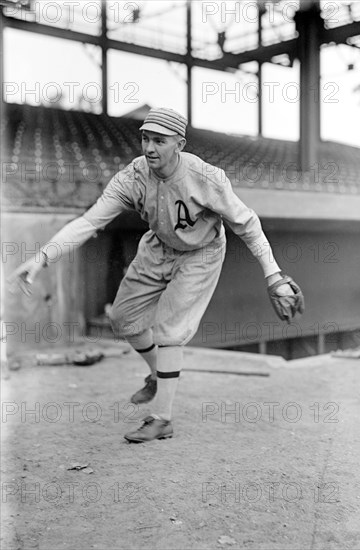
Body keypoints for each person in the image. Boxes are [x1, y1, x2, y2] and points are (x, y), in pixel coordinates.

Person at [9, 107, 304, 443]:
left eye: (159, 141)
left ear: (178, 144)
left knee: (169, 330)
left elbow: (248, 226)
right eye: (145, 139)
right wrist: (42, 257)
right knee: (122, 319)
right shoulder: (133, 177)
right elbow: (90, 222)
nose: (149, 148)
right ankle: (157, 373)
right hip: (159, 246)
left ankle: (161, 418)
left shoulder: (206, 177)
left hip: (201, 253)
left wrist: (273, 274)